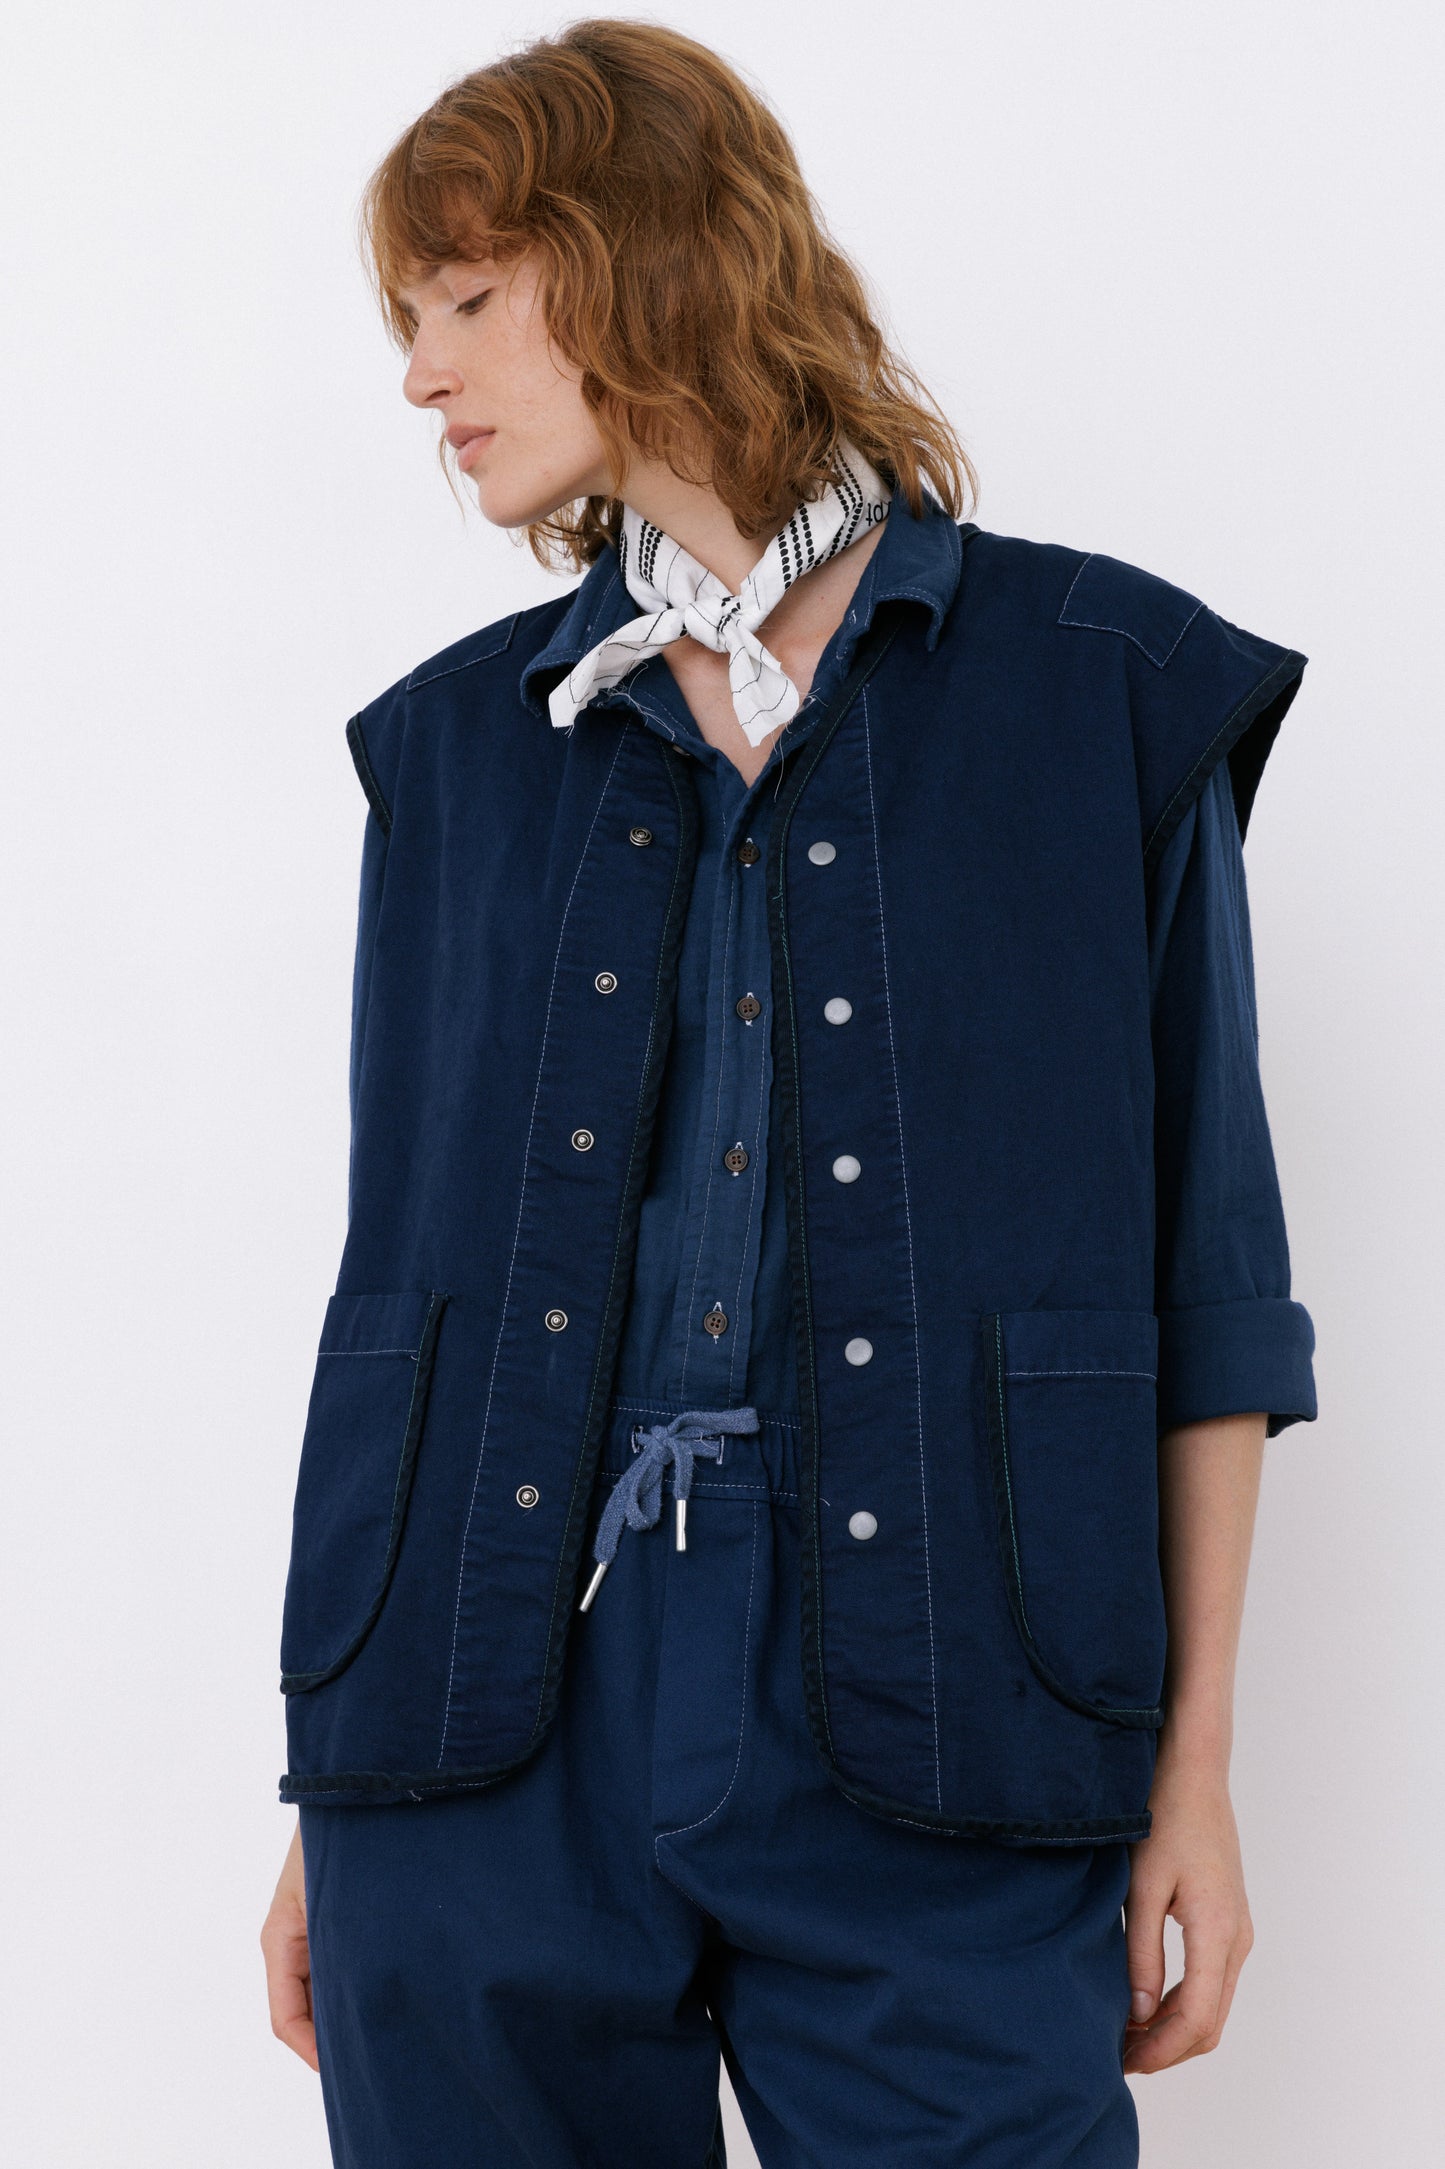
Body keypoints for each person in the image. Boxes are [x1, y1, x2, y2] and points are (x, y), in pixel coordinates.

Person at [260, 20, 1316, 2167]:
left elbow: (1210, 1286)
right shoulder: (452, 756)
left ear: (641, 257)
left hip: (956, 1694)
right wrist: (344, 1793)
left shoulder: (1105, 697)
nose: (421, 375)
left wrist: (1193, 1770)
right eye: (409, 319)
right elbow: (417, 1282)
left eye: (466, 299)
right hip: (480, 1736)